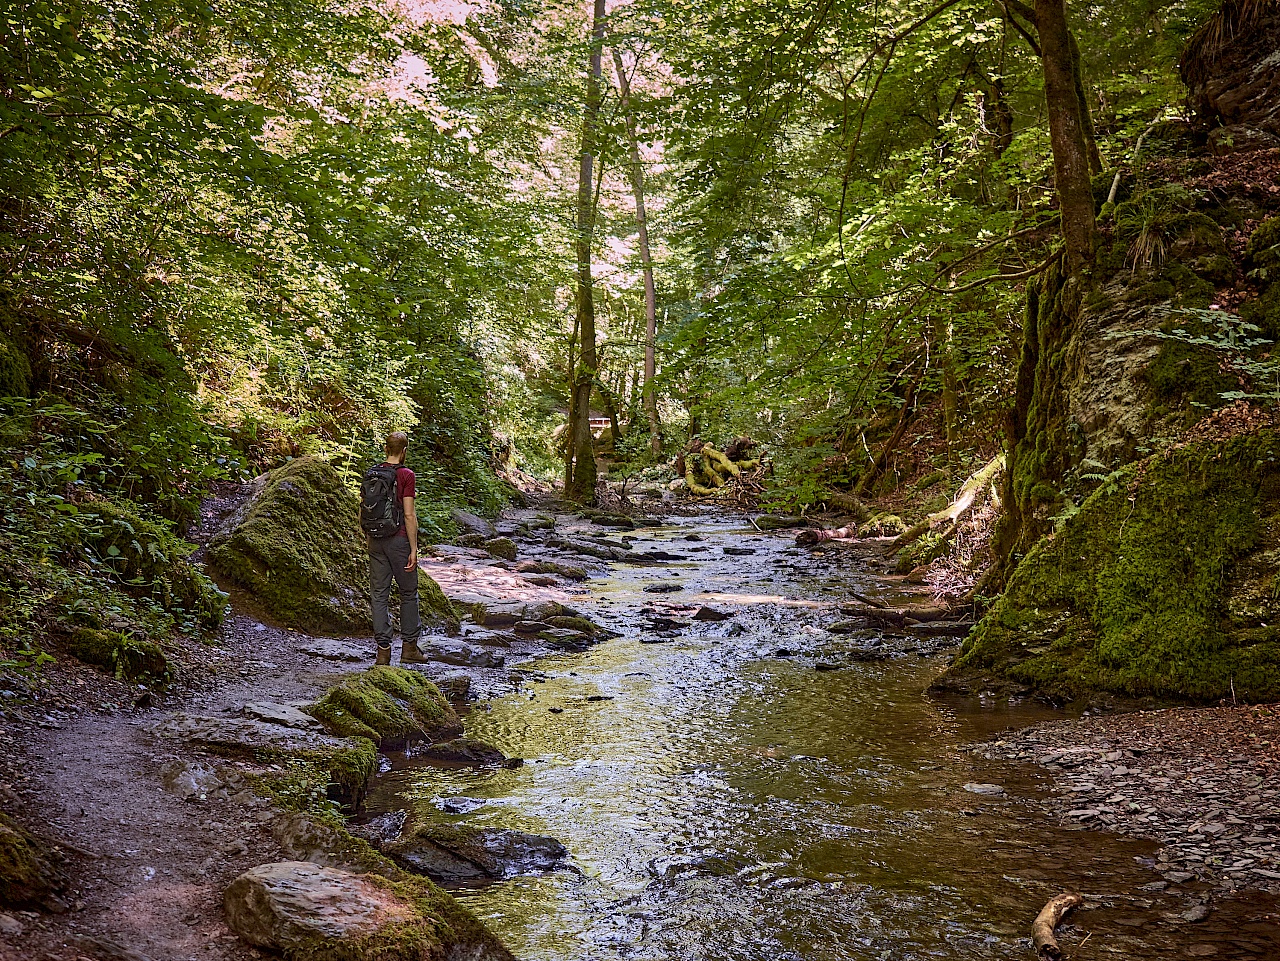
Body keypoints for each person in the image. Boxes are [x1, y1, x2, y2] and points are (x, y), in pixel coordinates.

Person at [365, 432, 427, 666]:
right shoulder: (406, 475)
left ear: (385, 449)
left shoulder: (372, 473)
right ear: (404, 451)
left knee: (379, 595)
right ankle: (409, 648)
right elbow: (409, 515)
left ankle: (383, 653)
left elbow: (365, 508)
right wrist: (414, 548)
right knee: (408, 592)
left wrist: (368, 537)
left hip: (375, 539)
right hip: (399, 540)